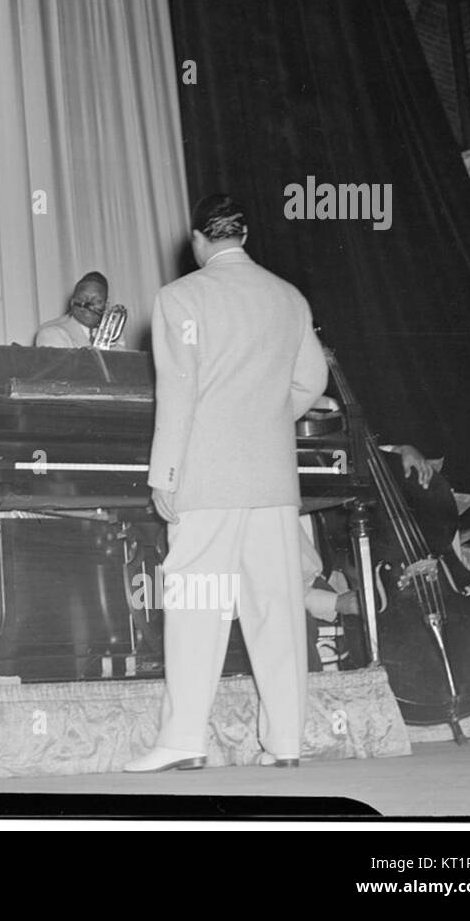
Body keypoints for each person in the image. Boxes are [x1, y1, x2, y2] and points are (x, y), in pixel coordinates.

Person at [126, 193, 328, 772]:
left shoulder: (180, 296)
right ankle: (286, 741)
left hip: (208, 478)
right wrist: (263, 424)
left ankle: (186, 738)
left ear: (197, 241)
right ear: (243, 235)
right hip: (271, 478)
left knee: (197, 604)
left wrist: (165, 473)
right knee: (277, 607)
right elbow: (311, 379)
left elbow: (179, 392)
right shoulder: (287, 296)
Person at [34, 271, 125, 348]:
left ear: (106, 306)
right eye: (82, 298)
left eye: (97, 301)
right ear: (72, 302)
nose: (89, 304)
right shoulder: (50, 333)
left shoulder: (114, 337)